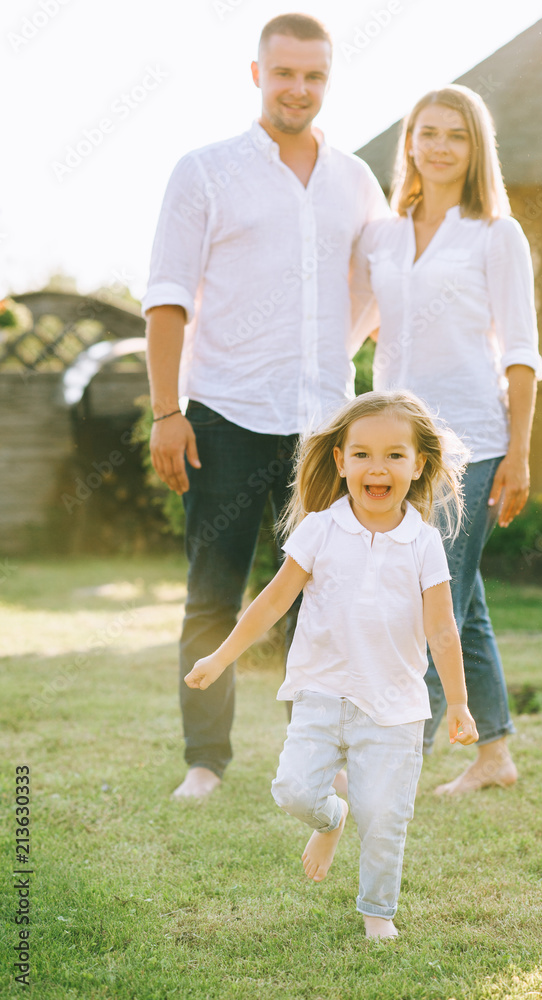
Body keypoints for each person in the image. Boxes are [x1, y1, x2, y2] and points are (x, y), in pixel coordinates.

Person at [142, 14, 388, 798]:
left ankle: (319, 757)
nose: (298, 89)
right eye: (284, 73)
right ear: (256, 74)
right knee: (215, 589)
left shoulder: (354, 179)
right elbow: (168, 297)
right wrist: (164, 411)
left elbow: (371, 291)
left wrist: (330, 361)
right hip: (224, 415)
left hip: (324, 428)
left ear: (328, 81)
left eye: (313, 76)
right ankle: (205, 761)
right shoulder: (205, 171)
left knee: (325, 597)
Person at [184, 390, 478, 938]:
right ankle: (331, 818)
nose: (378, 467)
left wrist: (458, 702)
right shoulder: (319, 529)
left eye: (395, 455)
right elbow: (272, 601)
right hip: (321, 692)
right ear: (340, 462)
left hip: (394, 708)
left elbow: (441, 628)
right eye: (362, 454)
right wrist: (222, 656)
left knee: (385, 819)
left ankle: (377, 914)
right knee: (293, 790)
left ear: (418, 465)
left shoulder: (424, 543)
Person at [354, 85, 542, 795]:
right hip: (397, 445)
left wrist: (519, 454)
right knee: (461, 600)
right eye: (426, 132)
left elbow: (520, 351)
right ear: (409, 143)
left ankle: (400, 755)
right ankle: (493, 754)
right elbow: (374, 325)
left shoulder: (496, 234)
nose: (437, 146)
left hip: (472, 442)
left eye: (454, 136)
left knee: (430, 597)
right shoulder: (384, 233)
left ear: (475, 150)